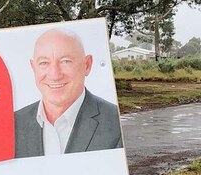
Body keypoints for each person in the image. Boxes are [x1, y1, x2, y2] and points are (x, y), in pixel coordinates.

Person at [14, 28, 123, 158]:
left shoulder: (116, 123)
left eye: (65, 61)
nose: (55, 75)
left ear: (87, 65)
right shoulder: (11, 125)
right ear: (33, 68)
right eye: (44, 63)